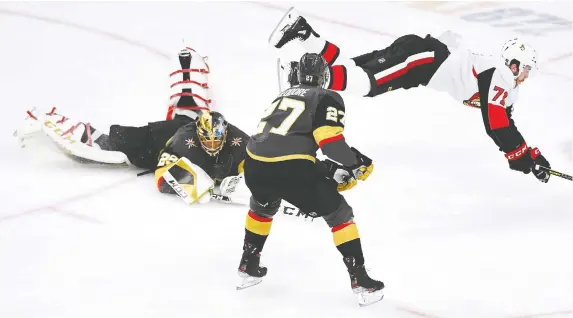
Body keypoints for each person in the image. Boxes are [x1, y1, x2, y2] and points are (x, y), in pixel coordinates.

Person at [268, 7, 552, 183]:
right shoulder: (501, 73)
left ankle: (304, 32)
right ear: (513, 62)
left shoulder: (504, 87)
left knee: (352, 70)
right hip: (424, 60)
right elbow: (497, 124)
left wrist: (530, 157)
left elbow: (505, 124)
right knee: (366, 83)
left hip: (423, 60)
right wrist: (520, 156)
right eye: (525, 68)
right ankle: (296, 75)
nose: (526, 75)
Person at [235, 52, 384, 307]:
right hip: (290, 168)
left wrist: (326, 170)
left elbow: (278, 143)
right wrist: (356, 164)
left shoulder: (281, 95)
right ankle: (360, 279)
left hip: (254, 165)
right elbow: (330, 144)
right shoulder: (326, 96)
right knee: (340, 214)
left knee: (263, 204)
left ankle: (248, 265)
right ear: (323, 77)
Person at [17, 47, 249, 201]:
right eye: (206, 138)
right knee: (129, 145)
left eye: (215, 139)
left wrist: (243, 181)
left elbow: (258, 168)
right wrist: (193, 186)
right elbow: (162, 175)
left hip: (189, 126)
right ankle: (81, 134)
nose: (211, 144)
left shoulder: (240, 142)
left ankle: (188, 95)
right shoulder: (181, 142)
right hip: (165, 137)